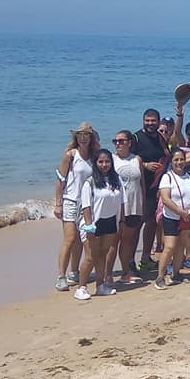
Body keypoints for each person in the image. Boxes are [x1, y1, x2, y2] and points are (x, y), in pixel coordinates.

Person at [53, 122, 99, 292]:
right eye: (80, 135)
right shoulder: (71, 155)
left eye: (86, 135)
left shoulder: (94, 156)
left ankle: (74, 272)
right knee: (70, 238)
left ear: (91, 137)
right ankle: (61, 276)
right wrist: (58, 204)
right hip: (70, 201)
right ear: (76, 137)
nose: (83, 138)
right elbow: (60, 180)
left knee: (81, 239)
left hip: (87, 203)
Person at [74, 149, 124, 301]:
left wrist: (121, 221)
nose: (104, 164)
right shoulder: (89, 183)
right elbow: (86, 207)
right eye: (100, 162)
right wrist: (89, 227)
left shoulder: (117, 180)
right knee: (91, 257)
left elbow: (122, 202)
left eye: (107, 161)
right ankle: (81, 288)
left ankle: (100, 286)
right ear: (95, 163)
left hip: (110, 222)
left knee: (103, 254)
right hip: (93, 224)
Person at [155, 148, 190, 289]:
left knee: (181, 245)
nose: (179, 162)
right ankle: (160, 277)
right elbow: (165, 198)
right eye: (176, 160)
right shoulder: (167, 177)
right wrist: (181, 212)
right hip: (172, 217)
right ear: (171, 162)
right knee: (169, 247)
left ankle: (176, 274)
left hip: (187, 217)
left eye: (181, 159)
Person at [132, 109, 169, 272]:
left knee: (152, 223)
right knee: (136, 225)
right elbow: (127, 159)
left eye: (153, 121)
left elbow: (167, 156)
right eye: (147, 120)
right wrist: (145, 165)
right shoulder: (136, 138)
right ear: (143, 120)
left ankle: (146, 258)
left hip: (157, 188)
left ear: (158, 122)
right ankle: (130, 261)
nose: (150, 123)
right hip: (140, 188)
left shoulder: (161, 138)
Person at [111, 130, 145, 284]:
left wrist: (143, 205)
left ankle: (126, 272)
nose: (118, 144)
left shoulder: (137, 159)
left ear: (129, 143)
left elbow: (141, 184)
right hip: (117, 209)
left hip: (134, 206)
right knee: (113, 242)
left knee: (127, 242)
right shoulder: (111, 160)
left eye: (121, 141)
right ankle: (107, 274)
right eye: (115, 141)